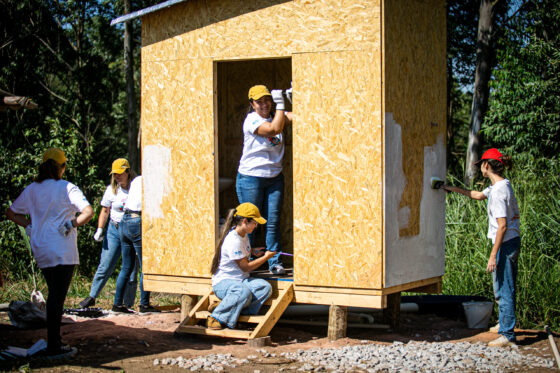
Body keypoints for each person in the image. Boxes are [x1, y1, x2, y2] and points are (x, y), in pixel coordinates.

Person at [6, 148, 93, 358]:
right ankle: (54, 345)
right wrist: (71, 223)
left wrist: (29, 226)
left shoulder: (32, 189)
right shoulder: (67, 188)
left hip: (41, 248)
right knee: (56, 298)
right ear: (62, 167)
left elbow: (11, 212)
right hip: (63, 249)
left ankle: (55, 341)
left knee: (54, 294)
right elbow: (88, 212)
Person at [442, 148, 520, 347]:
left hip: (506, 242)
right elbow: (477, 195)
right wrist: (451, 188)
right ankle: (504, 322)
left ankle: (508, 334)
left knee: (505, 286)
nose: (481, 169)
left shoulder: (499, 192)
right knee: (500, 284)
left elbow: (502, 225)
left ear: (487, 165)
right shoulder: (498, 186)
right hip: (507, 241)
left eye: (482, 165)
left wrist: (493, 255)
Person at [236, 85, 293, 275]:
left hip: (274, 178)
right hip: (251, 178)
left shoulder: (277, 116)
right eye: (259, 101)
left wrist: (293, 98)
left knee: (272, 222)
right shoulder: (251, 121)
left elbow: (300, 117)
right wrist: (280, 104)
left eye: (267, 100)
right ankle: (248, 261)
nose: (264, 104)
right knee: (250, 222)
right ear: (252, 104)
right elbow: (273, 129)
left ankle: (274, 262)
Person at [79, 158, 138, 309]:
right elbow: (105, 210)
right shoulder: (112, 190)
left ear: (127, 171)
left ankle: (127, 303)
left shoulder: (136, 188)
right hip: (114, 229)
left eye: (120, 173)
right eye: (114, 174)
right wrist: (100, 229)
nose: (117, 176)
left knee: (130, 269)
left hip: (131, 232)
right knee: (105, 265)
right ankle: (92, 296)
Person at [207, 202, 276, 330]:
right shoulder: (234, 240)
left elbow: (242, 255)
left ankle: (234, 310)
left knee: (264, 287)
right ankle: (216, 317)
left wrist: (254, 252)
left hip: (240, 281)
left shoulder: (243, 236)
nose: (255, 226)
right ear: (245, 221)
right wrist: (265, 257)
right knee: (242, 291)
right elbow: (246, 267)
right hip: (224, 283)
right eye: (254, 223)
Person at [112, 175, 160, 313]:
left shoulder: (137, 179)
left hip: (124, 221)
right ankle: (144, 305)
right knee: (146, 266)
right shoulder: (153, 179)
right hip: (136, 221)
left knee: (126, 267)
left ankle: (117, 305)